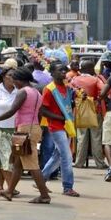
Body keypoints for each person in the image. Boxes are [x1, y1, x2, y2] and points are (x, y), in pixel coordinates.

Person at [0, 67, 50, 204]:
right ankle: (9, 191)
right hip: (34, 127)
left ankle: (44, 195)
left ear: (20, 80)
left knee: (32, 164)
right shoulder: (36, 92)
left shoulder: (22, 92)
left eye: (14, 80)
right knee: (18, 164)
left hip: (25, 129)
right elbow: (40, 112)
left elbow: (12, 111)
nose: (13, 83)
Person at [39, 62, 80, 197]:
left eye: (65, 70)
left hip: (66, 126)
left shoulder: (68, 89)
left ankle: (41, 179)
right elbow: (43, 110)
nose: (64, 73)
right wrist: (59, 118)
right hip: (56, 126)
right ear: (52, 73)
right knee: (67, 156)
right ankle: (68, 186)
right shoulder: (49, 89)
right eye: (60, 70)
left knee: (58, 155)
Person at [71, 61, 109, 169]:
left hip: (79, 111)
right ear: (90, 69)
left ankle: (79, 162)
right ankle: (99, 163)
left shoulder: (74, 80)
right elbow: (104, 90)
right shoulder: (95, 80)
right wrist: (98, 99)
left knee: (81, 137)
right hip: (94, 110)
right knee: (96, 137)